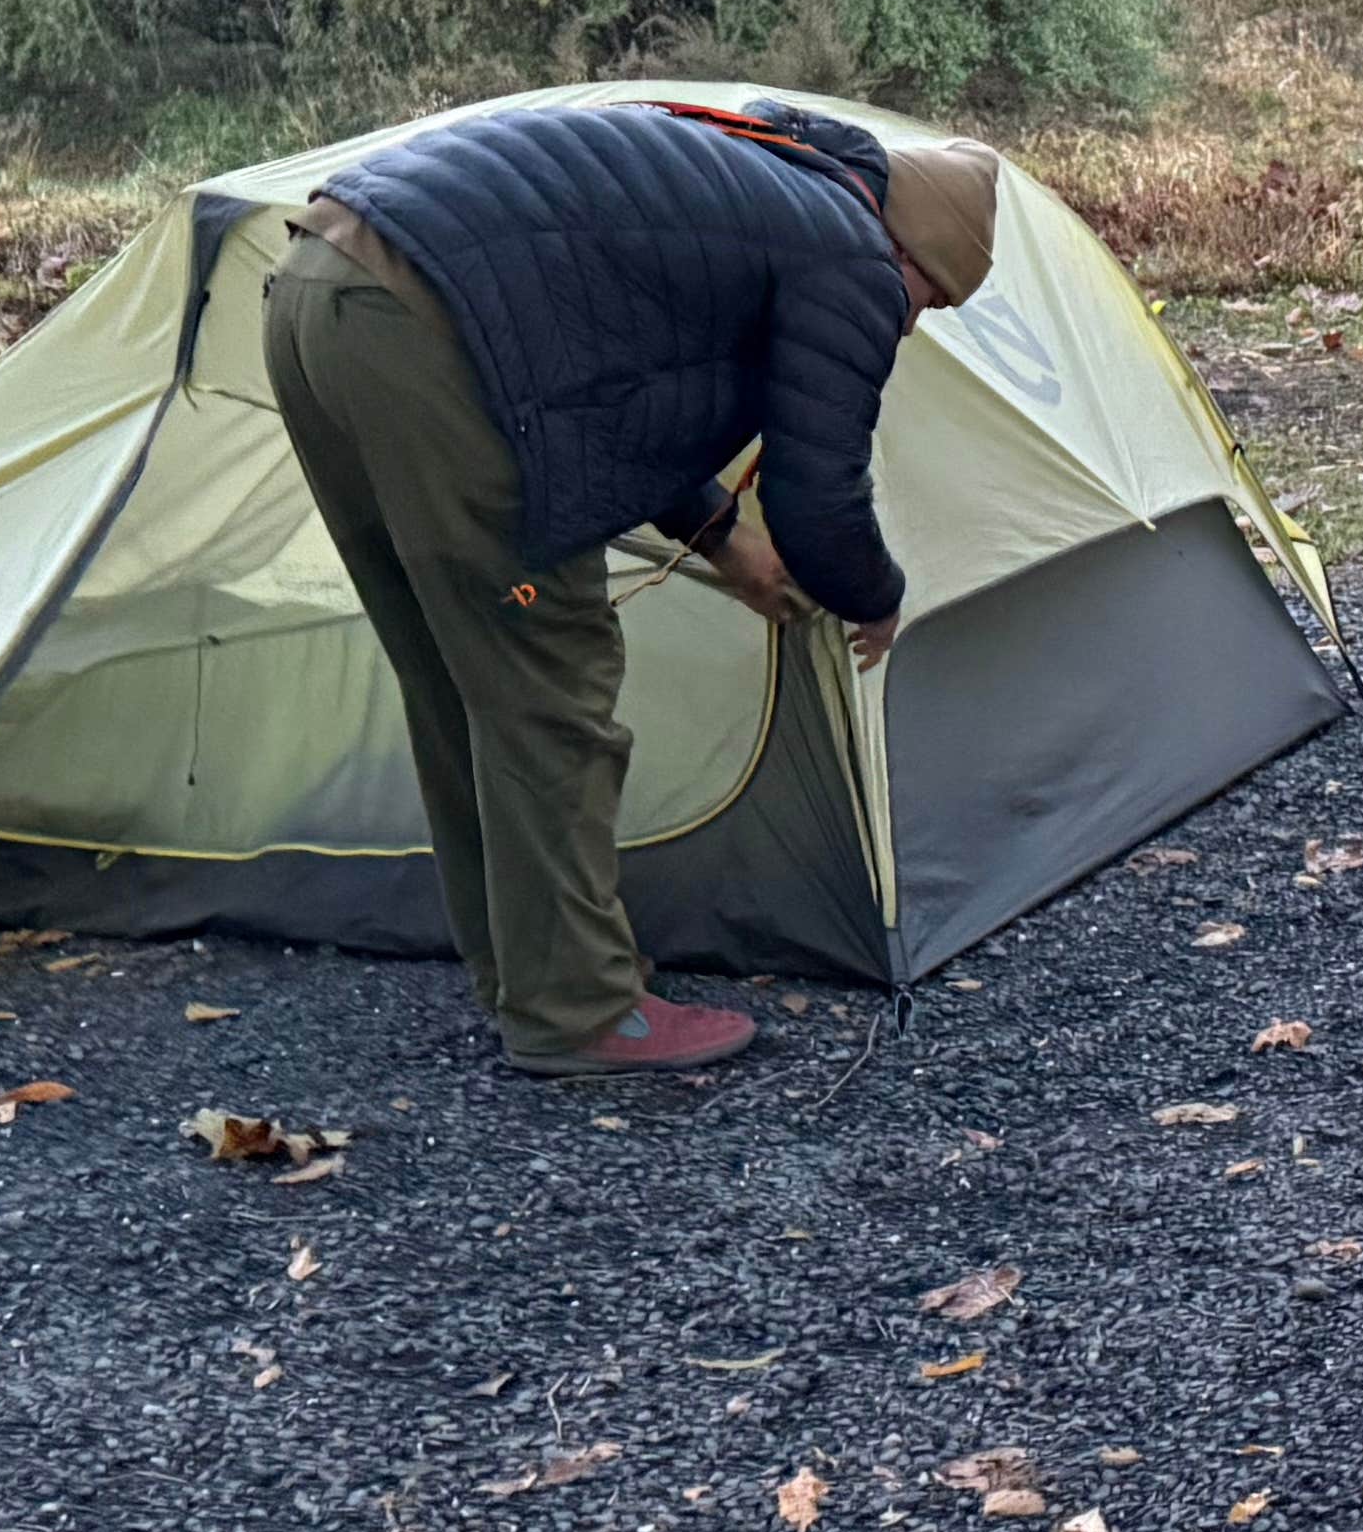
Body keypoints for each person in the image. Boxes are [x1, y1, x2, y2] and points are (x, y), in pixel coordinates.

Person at [259, 94, 1001, 1076]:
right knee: (550, 676)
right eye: (930, 304)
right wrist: (875, 593)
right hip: (429, 337)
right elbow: (818, 496)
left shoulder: (763, 184)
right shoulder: (852, 256)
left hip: (319, 292)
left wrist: (721, 538)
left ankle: (522, 976)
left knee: (459, 670)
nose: (909, 328)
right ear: (915, 257)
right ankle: (579, 1011)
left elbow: (612, 386)